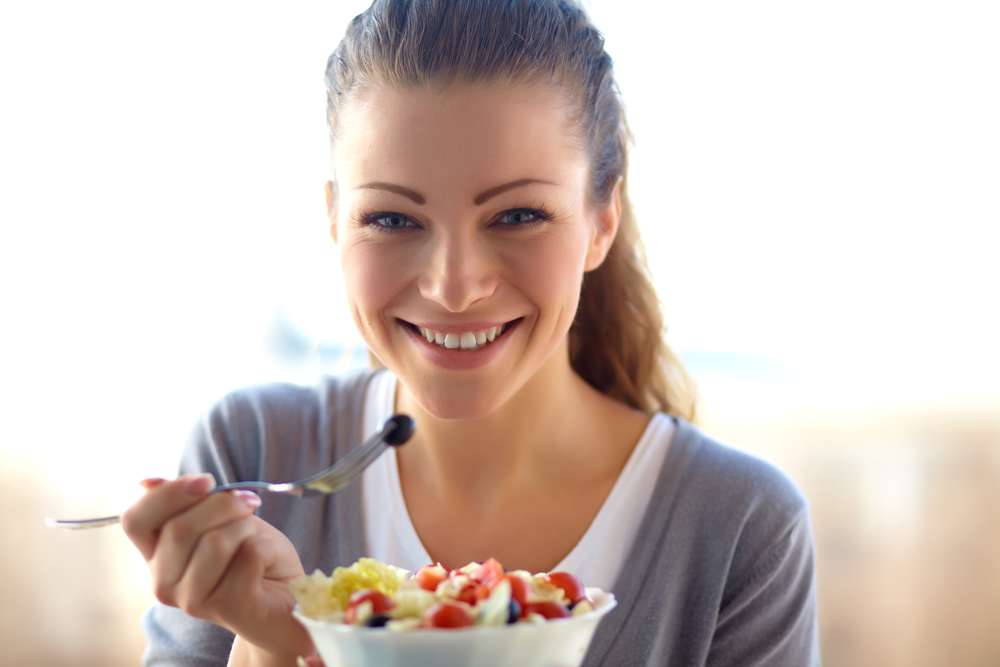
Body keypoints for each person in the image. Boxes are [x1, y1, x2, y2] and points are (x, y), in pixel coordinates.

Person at [122, 0, 821, 665]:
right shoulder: (250, 455)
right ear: (335, 218)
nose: (454, 287)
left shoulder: (740, 529)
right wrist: (273, 639)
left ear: (602, 218)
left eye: (518, 216)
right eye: (393, 219)